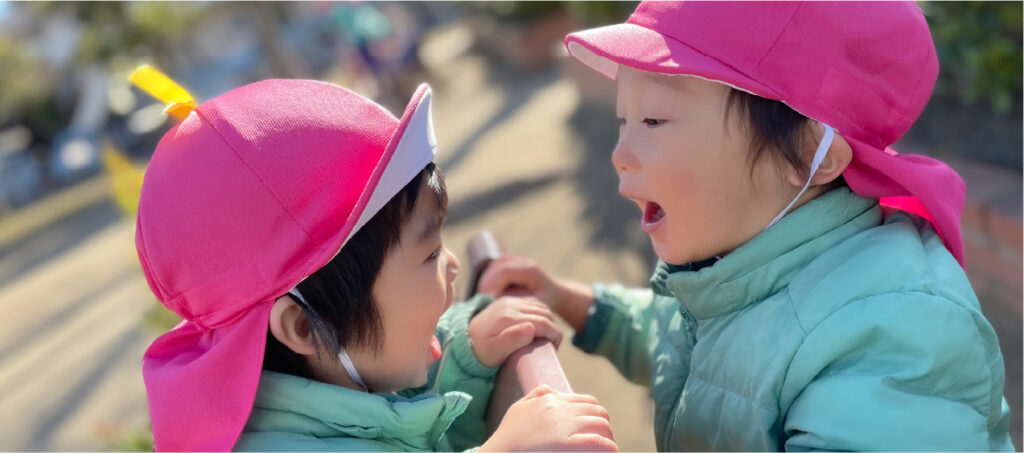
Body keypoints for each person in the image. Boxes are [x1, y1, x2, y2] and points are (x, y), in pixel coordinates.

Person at [478, 2, 1014, 450]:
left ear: (807, 154)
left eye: (655, 120)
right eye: (623, 120)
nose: (620, 153)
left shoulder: (894, 331)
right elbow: (686, 345)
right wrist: (569, 300)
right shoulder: (737, 265)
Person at [130, 67, 617, 452]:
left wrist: (467, 361)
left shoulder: (346, 386)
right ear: (304, 326)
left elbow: (411, 436)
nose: (451, 265)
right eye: (428, 253)